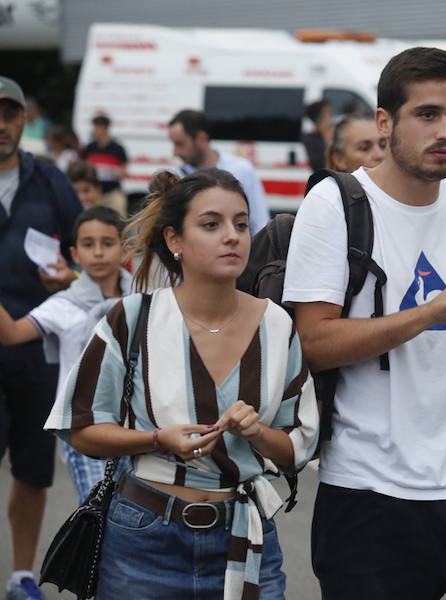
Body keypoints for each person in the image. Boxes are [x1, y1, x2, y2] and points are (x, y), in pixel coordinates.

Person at [284, 46, 446, 599]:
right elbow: (311, 342)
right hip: (368, 490)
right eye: (427, 115)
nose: (445, 131)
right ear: (385, 122)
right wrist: (428, 311)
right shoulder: (334, 203)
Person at [44, 168, 318, 599]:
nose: (232, 236)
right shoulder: (133, 318)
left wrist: (257, 432)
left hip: (245, 539)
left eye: (241, 224)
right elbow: (81, 429)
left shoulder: (277, 324)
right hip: (143, 539)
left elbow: (296, 448)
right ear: (174, 241)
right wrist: (155, 439)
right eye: (212, 225)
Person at [0, 75, 82, 600]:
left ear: (24, 119)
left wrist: (70, 276)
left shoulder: (50, 180)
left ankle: (22, 575)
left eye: (8, 114)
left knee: (32, 470)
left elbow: (90, 251)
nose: (0, 125)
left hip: (35, 347)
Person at [1, 207, 131, 504]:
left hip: (135, 427)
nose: (98, 252)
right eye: (88, 244)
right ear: (74, 252)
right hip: (82, 428)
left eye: (107, 243)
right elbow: (11, 334)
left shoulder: (143, 298)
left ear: (125, 249)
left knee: (128, 515)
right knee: (96, 510)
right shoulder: (63, 304)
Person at [168, 109, 270, 234]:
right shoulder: (176, 176)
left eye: (180, 144)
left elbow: (260, 224)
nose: (175, 152)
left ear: (201, 138)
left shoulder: (241, 170)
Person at [82, 114, 128, 216]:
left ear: (105, 128)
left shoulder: (118, 148)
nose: (95, 130)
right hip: (94, 192)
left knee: (119, 216)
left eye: (97, 127)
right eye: (94, 127)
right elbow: (83, 168)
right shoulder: (89, 148)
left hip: (113, 192)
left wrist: (117, 171)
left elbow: (125, 171)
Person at [303, 100, 333, 172]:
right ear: (318, 118)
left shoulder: (331, 135)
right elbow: (323, 166)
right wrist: (325, 134)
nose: (331, 115)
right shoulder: (310, 140)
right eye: (327, 112)